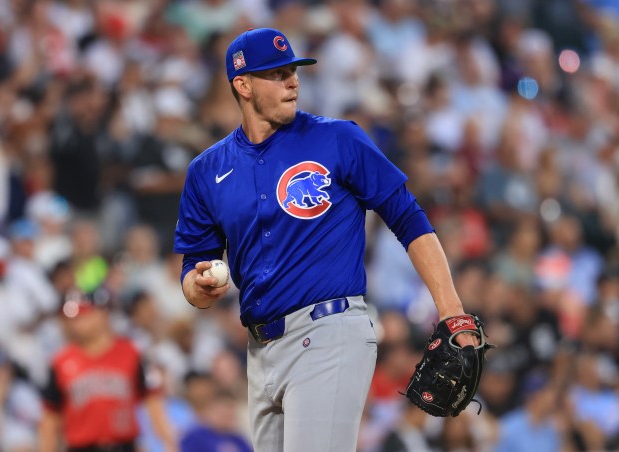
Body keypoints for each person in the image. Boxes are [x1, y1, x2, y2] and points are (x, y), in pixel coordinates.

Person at [174, 27, 477, 452]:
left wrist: (452, 312)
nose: (292, 81)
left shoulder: (336, 139)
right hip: (260, 351)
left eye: (292, 71)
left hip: (329, 331)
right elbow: (194, 269)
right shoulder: (207, 170)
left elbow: (408, 217)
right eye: (276, 74)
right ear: (242, 85)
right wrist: (199, 285)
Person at [38, 288, 178, 452]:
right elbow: (50, 418)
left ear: (103, 313)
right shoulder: (60, 361)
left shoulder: (132, 353)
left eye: (84, 315)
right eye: (74, 318)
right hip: (81, 447)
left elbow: (153, 401)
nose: (77, 322)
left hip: (124, 445)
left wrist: (169, 442)